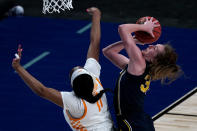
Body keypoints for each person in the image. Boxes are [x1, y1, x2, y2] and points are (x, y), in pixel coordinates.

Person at [12, 7, 113, 131]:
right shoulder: (95, 80)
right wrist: (97, 15)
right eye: (80, 68)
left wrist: (18, 68)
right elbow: (95, 42)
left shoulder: (75, 103)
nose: (79, 66)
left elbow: (41, 91)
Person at [102, 17, 182, 131]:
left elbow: (122, 28)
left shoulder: (139, 64)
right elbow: (108, 52)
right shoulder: (137, 67)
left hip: (134, 125)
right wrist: (134, 40)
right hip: (139, 123)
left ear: (155, 60)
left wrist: (144, 27)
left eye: (154, 48)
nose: (150, 45)